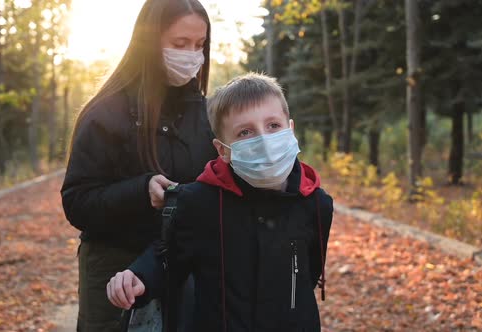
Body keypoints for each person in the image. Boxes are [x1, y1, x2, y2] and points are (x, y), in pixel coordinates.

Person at [107, 73, 334, 332]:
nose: (263, 140)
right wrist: (139, 276)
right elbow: (169, 258)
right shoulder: (198, 202)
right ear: (223, 150)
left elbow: (310, 272)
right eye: (245, 132)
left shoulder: (316, 204)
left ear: (290, 129)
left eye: (273, 126)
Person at [60, 0, 217, 330]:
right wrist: (140, 191)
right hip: (115, 273)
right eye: (179, 44)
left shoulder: (204, 112)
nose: (192, 55)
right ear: (150, 41)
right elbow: (77, 203)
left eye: (199, 45)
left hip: (182, 266)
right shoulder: (105, 113)